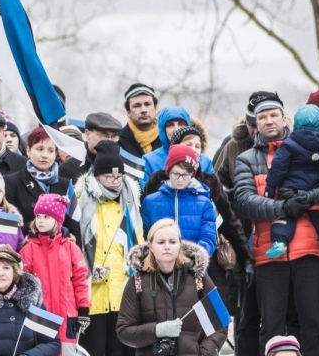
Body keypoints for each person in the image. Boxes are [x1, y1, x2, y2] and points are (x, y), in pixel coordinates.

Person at [234, 91, 319, 355]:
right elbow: (244, 201)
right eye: (262, 117)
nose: (269, 121)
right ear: (255, 123)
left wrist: (306, 198)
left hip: (310, 250)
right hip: (269, 253)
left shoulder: (313, 148)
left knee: (312, 324)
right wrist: (283, 208)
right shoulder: (246, 159)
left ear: (283, 117)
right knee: (271, 328)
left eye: (273, 115)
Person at [71, 141, 142, 356]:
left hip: (123, 290)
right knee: (93, 350)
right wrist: (90, 269)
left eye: (119, 176)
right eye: (109, 176)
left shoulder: (130, 201)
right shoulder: (82, 200)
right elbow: (76, 243)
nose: (115, 181)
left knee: (121, 350)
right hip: (92, 291)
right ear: (97, 175)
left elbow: (138, 242)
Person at [117, 220, 228, 356]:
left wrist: (204, 354)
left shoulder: (198, 277)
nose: (167, 247)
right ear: (150, 246)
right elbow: (124, 331)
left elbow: (220, 323)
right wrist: (157, 330)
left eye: (172, 242)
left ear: (180, 244)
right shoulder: (137, 282)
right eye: (161, 242)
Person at [264, 105, 319, 259]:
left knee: (286, 215)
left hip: (291, 188)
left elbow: (278, 167)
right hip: (315, 186)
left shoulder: (289, 144)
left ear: (296, 122)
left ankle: (280, 241)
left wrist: (270, 187)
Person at [20, 194, 90, 356]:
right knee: (43, 350)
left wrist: (83, 309)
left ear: (58, 220)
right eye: (38, 216)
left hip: (67, 315)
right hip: (39, 315)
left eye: (46, 217)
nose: (40, 220)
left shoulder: (71, 248)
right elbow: (23, 284)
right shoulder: (28, 249)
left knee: (66, 351)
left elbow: (80, 281)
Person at [4, 127, 80, 244]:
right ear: (28, 151)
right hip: (27, 250)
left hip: (60, 251)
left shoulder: (65, 185)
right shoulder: (11, 182)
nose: (45, 155)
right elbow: (9, 226)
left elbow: (75, 227)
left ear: (56, 154)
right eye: (39, 149)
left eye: (50, 151)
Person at [140, 145, 216, 254]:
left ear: (192, 174)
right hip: (158, 261)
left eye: (186, 175)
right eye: (175, 174)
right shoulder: (150, 202)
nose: (180, 179)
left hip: (192, 262)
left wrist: (192, 259)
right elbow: (144, 238)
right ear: (168, 171)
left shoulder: (204, 203)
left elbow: (209, 239)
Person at [140, 106, 206, 188]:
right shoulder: (149, 161)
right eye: (170, 125)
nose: (176, 129)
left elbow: (213, 192)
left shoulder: (205, 161)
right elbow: (145, 193)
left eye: (181, 124)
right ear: (163, 129)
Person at [59, 112, 122, 180]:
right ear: (87, 134)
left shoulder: (123, 165)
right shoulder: (67, 170)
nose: (109, 140)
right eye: (104, 135)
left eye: (113, 136)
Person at [118, 83, 161, 158]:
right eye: (137, 106)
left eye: (147, 104)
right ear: (128, 112)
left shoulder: (168, 138)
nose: (143, 110)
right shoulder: (117, 141)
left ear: (155, 109)